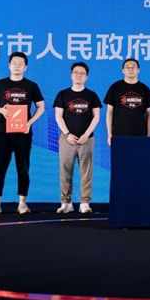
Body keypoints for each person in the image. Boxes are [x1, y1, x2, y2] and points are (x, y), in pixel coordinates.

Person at [0, 51, 45, 214]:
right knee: (0, 167)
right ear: (9, 65)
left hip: (23, 132)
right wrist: (1, 110)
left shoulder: (31, 86)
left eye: (20, 63)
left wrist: (30, 122)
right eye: (14, 63)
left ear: (25, 67)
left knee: (23, 167)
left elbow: (41, 107)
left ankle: (22, 203)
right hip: (3, 131)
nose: (17, 66)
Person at [54, 62, 102, 214]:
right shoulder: (62, 94)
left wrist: (86, 135)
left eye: (82, 73)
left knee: (86, 172)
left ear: (86, 77)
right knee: (65, 171)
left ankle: (85, 203)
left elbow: (96, 117)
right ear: (71, 75)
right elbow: (58, 116)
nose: (78, 75)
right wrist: (67, 134)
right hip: (67, 139)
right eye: (76, 72)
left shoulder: (92, 95)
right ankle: (66, 202)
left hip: (86, 139)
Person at [104, 58, 150, 140]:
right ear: (123, 70)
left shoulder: (145, 89)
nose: (130, 69)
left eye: (133, 67)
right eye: (127, 67)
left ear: (138, 70)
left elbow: (149, 114)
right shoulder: (115, 87)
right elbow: (109, 112)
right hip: (118, 134)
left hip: (140, 135)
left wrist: (148, 135)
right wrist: (109, 134)